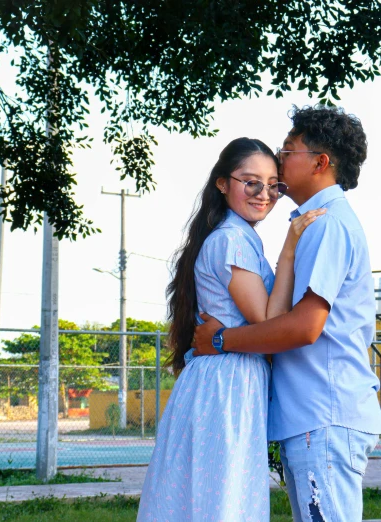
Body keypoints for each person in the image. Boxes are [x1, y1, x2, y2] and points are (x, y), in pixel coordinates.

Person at [194, 106, 381, 522]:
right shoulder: (310, 225)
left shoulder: (326, 224)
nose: (279, 160)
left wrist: (220, 340)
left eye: (288, 151)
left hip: (325, 414)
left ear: (320, 162)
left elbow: (304, 326)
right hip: (314, 415)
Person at [137, 137, 324, 521]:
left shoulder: (237, 236)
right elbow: (268, 324)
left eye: (274, 184)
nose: (264, 194)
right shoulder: (231, 240)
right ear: (222, 183)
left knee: (215, 499)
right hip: (226, 385)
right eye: (250, 181)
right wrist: (289, 247)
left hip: (225, 380)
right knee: (223, 501)